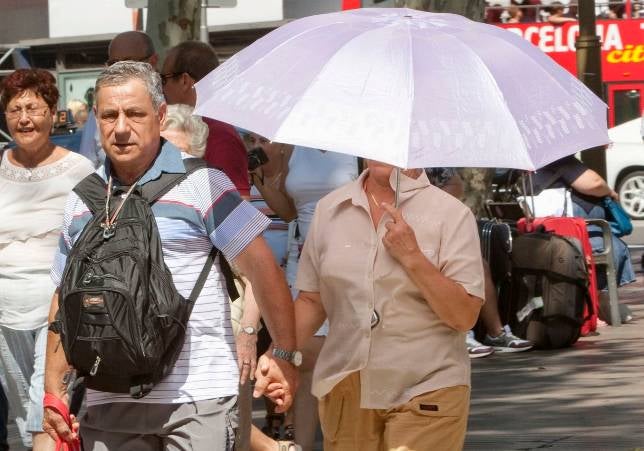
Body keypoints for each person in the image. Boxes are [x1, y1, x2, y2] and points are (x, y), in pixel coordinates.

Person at [42, 61, 299, 451]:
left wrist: (282, 353)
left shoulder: (203, 184)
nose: (121, 127)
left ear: (160, 116)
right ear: (96, 118)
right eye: (109, 115)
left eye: (135, 113)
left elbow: (263, 271)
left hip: (199, 397)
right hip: (109, 398)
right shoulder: (81, 200)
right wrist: (53, 392)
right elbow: (63, 300)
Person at [291, 160, 485, 450]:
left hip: (427, 385)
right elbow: (311, 298)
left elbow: (464, 316)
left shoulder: (451, 214)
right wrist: (278, 352)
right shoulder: (329, 209)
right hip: (346, 387)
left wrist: (413, 257)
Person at [0, 69, 95, 451]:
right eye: (14, 109)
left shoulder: (80, 170)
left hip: (58, 306)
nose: (24, 118)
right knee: (22, 409)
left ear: (52, 111)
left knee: (48, 402)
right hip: (5, 308)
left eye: (33, 108)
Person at [249, 135, 358, 451]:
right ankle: (302, 444)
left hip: (350, 259)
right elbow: (287, 211)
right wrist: (261, 176)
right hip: (304, 259)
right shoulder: (294, 143)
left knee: (349, 358)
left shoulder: (357, 146)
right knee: (304, 360)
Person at [425, 168, 533, 358]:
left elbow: (455, 185)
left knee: (477, 264)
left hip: (435, 223)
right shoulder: (393, 163)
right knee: (441, 265)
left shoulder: (435, 162)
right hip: (407, 232)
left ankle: (495, 332)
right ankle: (459, 334)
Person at [531, 155, 636, 322]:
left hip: (550, 233)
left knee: (608, 242)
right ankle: (595, 304)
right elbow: (593, 183)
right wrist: (609, 191)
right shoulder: (559, 159)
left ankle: (599, 302)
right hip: (572, 234)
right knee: (611, 245)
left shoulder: (526, 166)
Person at [161, 40, 251, 198]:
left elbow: (237, 210)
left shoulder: (220, 135)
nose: (161, 87)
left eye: (164, 79)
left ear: (184, 81)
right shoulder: (185, 127)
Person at [78, 30, 159, 168]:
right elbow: (88, 164)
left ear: (153, 61)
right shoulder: (99, 112)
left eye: (130, 63)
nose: (122, 70)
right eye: (114, 63)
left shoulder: (175, 104)